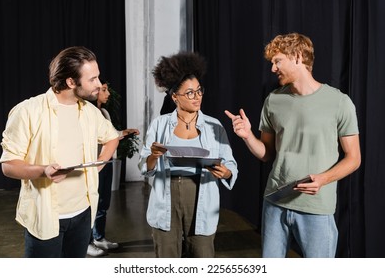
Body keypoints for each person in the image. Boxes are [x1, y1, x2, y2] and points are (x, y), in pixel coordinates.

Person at [225, 32, 361, 258]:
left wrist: (323, 179)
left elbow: (354, 158)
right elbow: (266, 154)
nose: (272, 69)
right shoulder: (273, 100)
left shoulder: (339, 102)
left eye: (277, 61)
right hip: (275, 203)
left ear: (297, 57)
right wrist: (247, 135)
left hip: (316, 208)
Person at [0, 46, 120, 258]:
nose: (99, 85)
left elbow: (111, 137)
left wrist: (100, 162)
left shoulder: (91, 112)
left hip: (83, 215)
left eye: (98, 77)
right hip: (45, 217)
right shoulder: (27, 111)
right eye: (92, 79)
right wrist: (43, 170)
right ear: (71, 82)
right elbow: (8, 165)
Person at [138, 51, 238, 258]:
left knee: (202, 254)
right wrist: (154, 156)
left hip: (202, 192)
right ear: (175, 96)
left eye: (199, 91)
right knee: (167, 256)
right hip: (166, 195)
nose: (197, 97)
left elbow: (230, 164)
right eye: (190, 93)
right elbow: (144, 165)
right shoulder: (160, 124)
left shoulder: (214, 126)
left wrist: (226, 172)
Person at [87, 79, 140, 257]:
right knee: (91, 204)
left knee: (103, 203)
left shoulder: (103, 112)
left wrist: (123, 133)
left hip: (107, 162)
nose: (108, 94)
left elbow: (109, 135)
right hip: (95, 164)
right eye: (104, 90)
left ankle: (99, 238)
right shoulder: (88, 113)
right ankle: (87, 242)